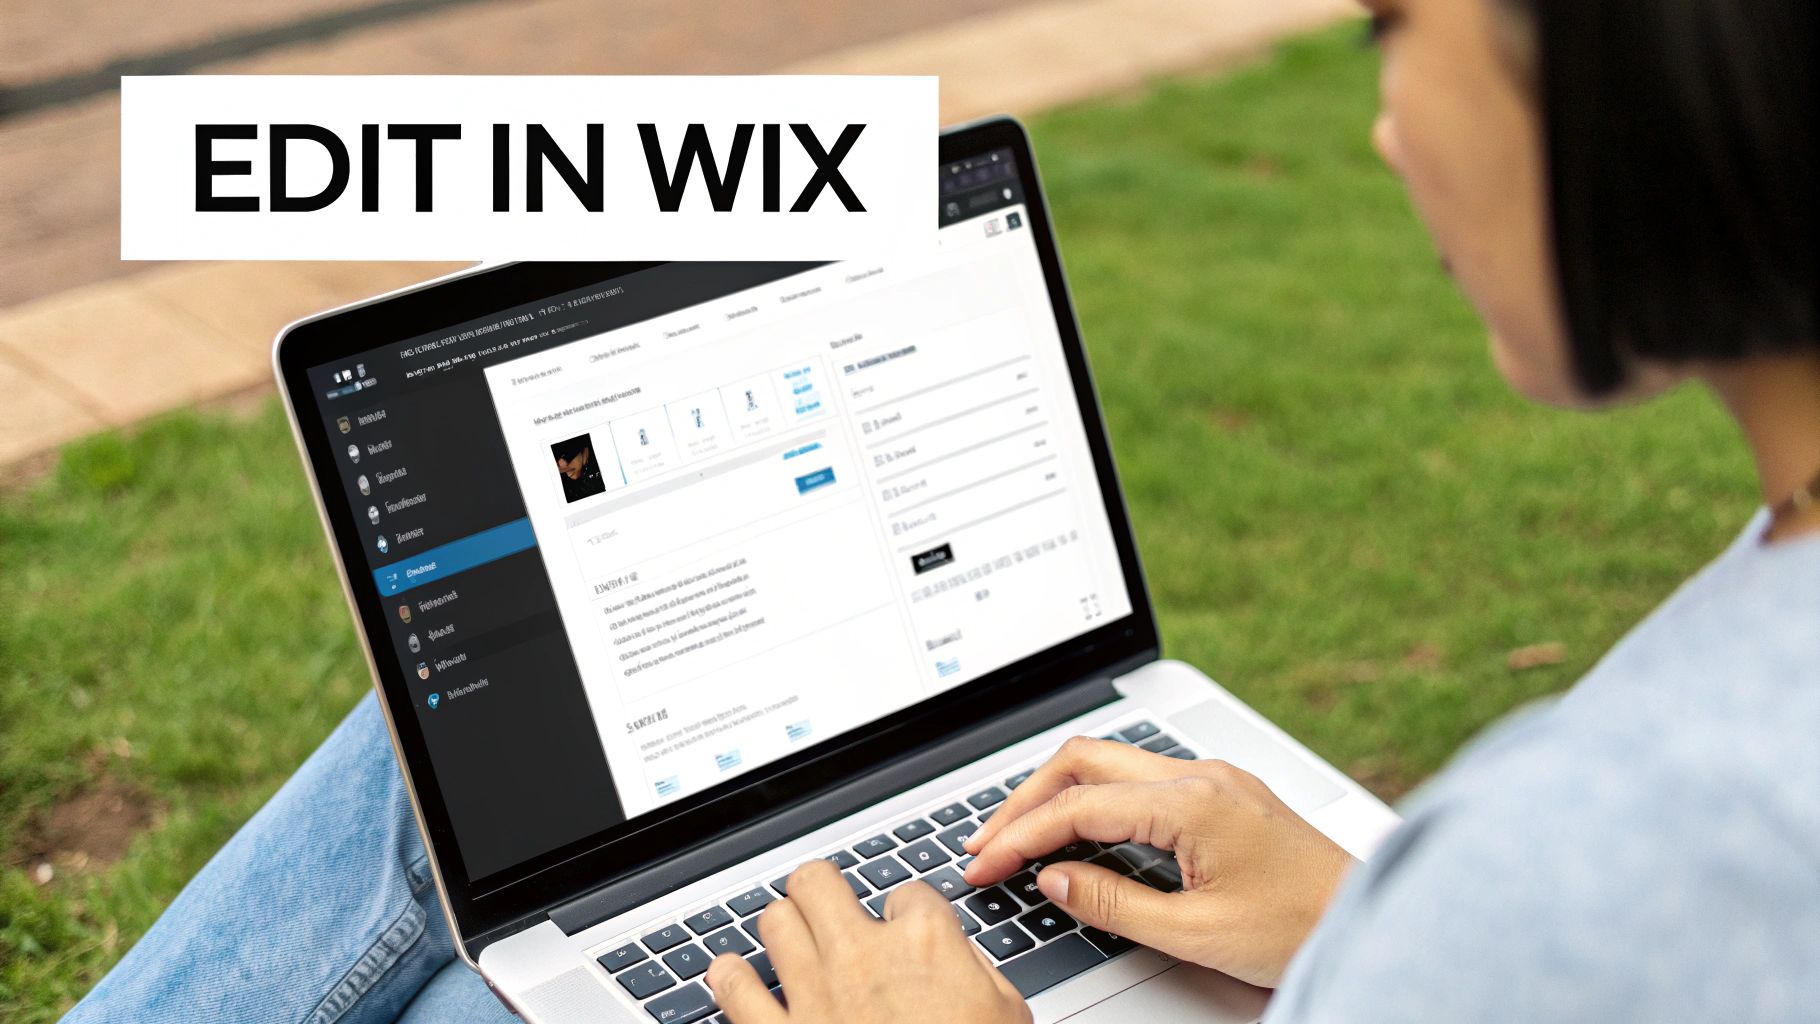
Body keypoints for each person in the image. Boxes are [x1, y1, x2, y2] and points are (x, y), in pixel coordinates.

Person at [62, 0, 1817, 1021]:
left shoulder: (1607, 853)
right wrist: (1355, 908)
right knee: (476, 823)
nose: (1383, 128)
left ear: (1643, 74)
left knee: (479, 926)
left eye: (1398, 25)